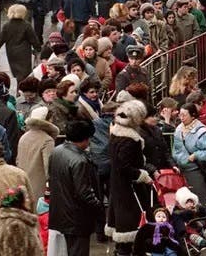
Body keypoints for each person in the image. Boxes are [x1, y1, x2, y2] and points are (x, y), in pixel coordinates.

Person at [49, 119, 105, 256]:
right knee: (78, 251)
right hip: (77, 217)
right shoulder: (80, 160)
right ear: (85, 139)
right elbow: (84, 192)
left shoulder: (56, 151)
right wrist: (99, 208)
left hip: (60, 211)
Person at [108, 100, 154, 254]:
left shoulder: (116, 133)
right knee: (131, 228)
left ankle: (122, 250)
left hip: (118, 186)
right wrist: (142, 175)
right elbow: (124, 166)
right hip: (129, 189)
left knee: (124, 228)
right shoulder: (129, 140)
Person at [171, 102, 206, 204]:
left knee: (197, 201)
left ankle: (200, 219)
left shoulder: (202, 132)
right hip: (180, 170)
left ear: (193, 116)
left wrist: (196, 155)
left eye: (184, 115)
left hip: (195, 171)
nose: (181, 118)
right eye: (180, 115)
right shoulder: (179, 129)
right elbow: (175, 148)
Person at [15, 107, 57, 199]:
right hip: (39, 187)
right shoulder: (47, 140)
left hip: (23, 183)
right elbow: (49, 168)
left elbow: (18, 161)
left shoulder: (24, 137)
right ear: (47, 120)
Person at [0, 4, 40, 83]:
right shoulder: (26, 25)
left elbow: (0, 40)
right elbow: (34, 40)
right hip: (24, 53)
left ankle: (19, 91)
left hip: (11, 52)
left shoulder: (7, 26)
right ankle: (21, 92)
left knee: (18, 74)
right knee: (24, 75)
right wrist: (38, 49)